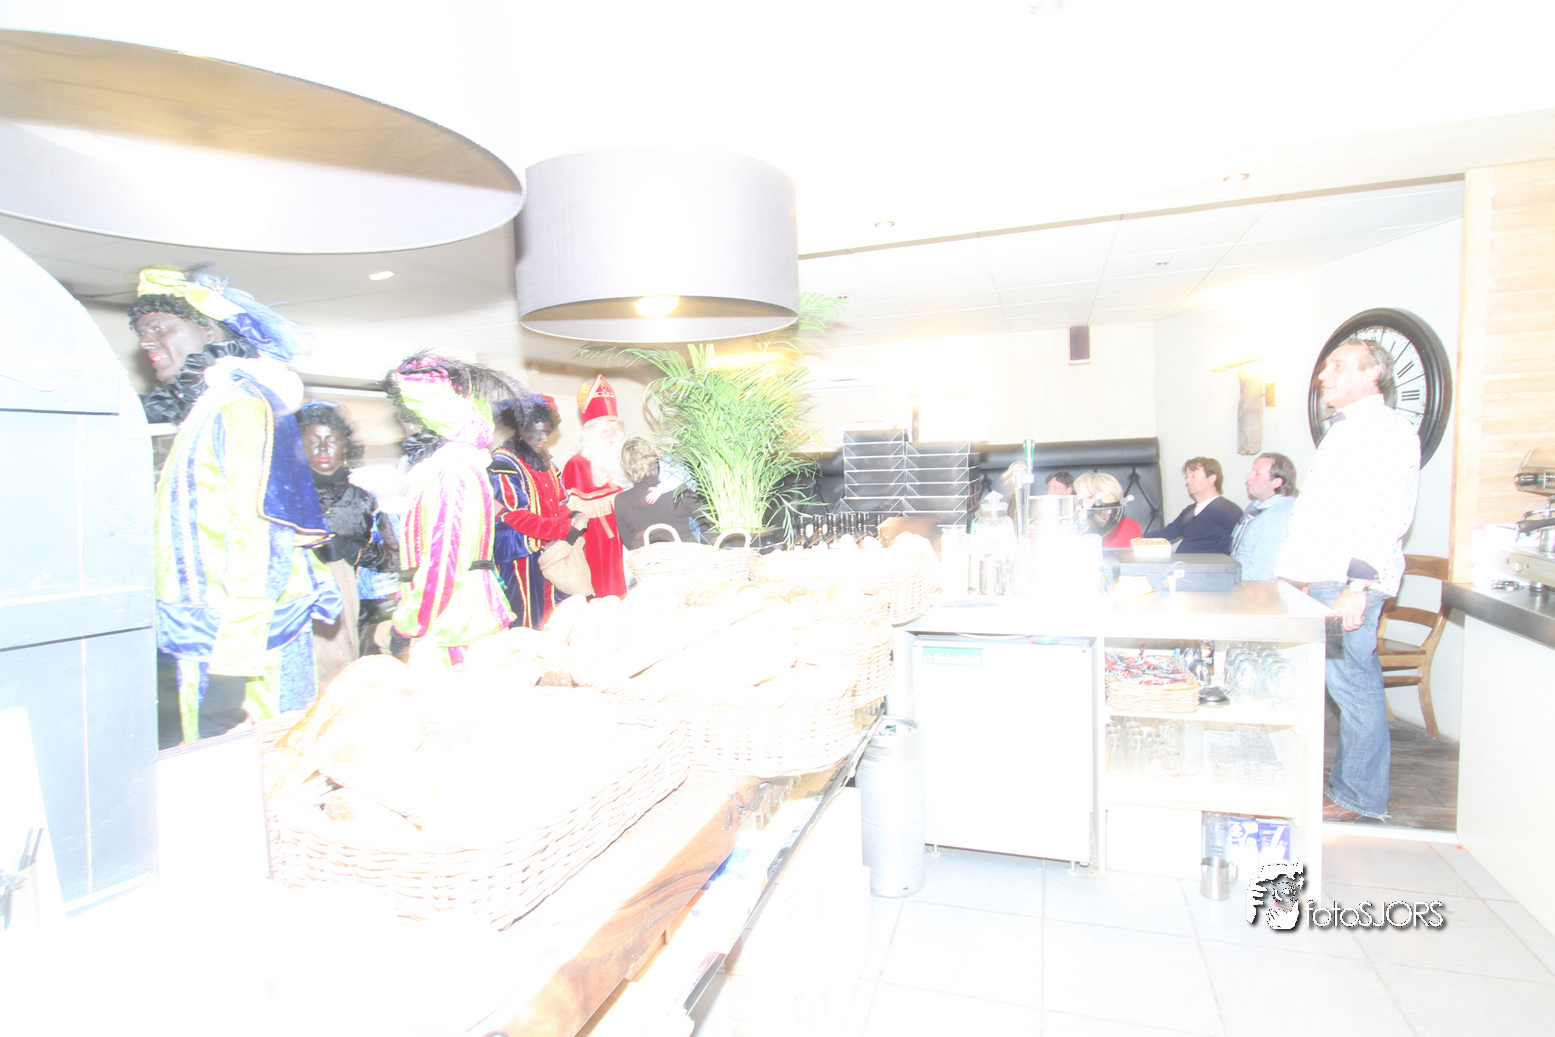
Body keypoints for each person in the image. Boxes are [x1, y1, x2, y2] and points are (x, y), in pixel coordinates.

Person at [133, 268, 341, 741]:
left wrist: (230, 674)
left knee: (263, 770)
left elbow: (262, 543)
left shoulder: (243, 407)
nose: (146, 340)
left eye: (160, 326)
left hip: (248, 655)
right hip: (207, 640)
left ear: (209, 330)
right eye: (141, 330)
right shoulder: (211, 408)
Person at [1278, 338, 1419, 821]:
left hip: (1350, 580)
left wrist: (1356, 587)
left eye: (1338, 367)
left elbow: (1384, 514)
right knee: (1343, 683)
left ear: (1371, 373)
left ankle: (1359, 796)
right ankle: (1349, 780)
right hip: (1327, 577)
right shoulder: (1348, 428)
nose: (1324, 376)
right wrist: (1304, 577)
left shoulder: (1384, 429)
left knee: (1354, 685)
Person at [383, 353, 525, 666]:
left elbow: (445, 561)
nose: (405, 427)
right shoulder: (453, 463)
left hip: (454, 624)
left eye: (407, 416)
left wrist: (407, 625)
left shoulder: (452, 469)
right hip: (459, 615)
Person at [294, 402, 399, 686]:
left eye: (332, 440)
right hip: (298, 616)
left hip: (358, 617)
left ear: (345, 446)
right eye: (313, 440)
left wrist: (351, 551)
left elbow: (393, 559)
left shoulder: (364, 501)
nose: (323, 448)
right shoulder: (287, 499)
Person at [489, 393, 587, 628]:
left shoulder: (546, 463)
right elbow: (515, 516)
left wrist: (572, 518)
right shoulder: (503, 464)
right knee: (527, 619)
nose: (544, 438)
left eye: (547, 432)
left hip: (551, 550)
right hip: (521, 554)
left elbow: (560, 502)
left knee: (558, 616)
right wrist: (563, 529)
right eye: (538, 432)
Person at [563, 374, 629, 598]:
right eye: (605, 428)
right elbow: (572, 513)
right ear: (591, 432)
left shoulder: (622, 457)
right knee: (604, 589)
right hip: (597, 539)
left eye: (614, 427)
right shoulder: (577, 464)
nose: (612, 432)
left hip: (625, 533)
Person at [614, 437, 706, 552]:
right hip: (687, 557)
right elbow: (707, 523)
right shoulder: (680, 490)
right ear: (655, 460)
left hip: (649, 561)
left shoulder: (621, 500)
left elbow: (629, 544)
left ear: (626, 467)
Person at [1143, 457, 1242, 555]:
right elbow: (1166, 533)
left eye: (1193, 476)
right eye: (1187, 477)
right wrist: (1136, 539)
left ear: (1212, 479)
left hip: (1208, 565)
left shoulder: (1229, 510)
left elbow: (1241, 544)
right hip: (1182, 564)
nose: (1187, 481)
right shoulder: (1189, 511)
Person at [1230, 452, 1298, 581]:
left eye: (1257, 473)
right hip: (1240, 581)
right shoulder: (1256, 507)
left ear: (1276, 482)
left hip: (1254, 587)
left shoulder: (1279, 516)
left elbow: (1263, 570)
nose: (1248, 476)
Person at [1073, 471, 1142, 548]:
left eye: (1089, 497)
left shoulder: (1130, 526)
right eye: (1078, 496)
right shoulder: (1071, 528)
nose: (1081, 501)